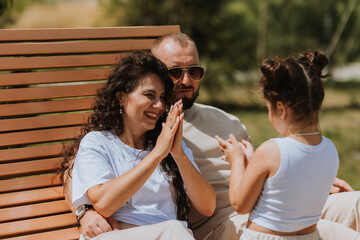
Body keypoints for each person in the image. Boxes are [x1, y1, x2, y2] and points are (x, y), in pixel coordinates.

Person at [70, 33, 360, 240]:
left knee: (353, 203)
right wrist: (84, 211)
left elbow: (265, 169)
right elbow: (76, 172)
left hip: (268, 206)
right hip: (225, 224)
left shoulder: (220, 120)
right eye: (174, 72)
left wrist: (312, 182)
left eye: (194, 71)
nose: (186, 80)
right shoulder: (146, 130)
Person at [59, 51, 216, 240]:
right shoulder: (98, 142)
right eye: (149, 95)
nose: (159, 105)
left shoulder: (171, 147)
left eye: (163, 98)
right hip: (118, 236)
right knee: (175, 231)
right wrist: (157, 154)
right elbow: (104, 203)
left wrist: (179, 156)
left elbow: (208, 206)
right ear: (121, 98)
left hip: (170, 235)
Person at [216, 51, 339, 240]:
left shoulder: (271, 150)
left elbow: (240, 204)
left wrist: (237, 160)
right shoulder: (331, 150)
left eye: (268, 108)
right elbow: (286, 187)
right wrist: (255, 161)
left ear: (280, 109)